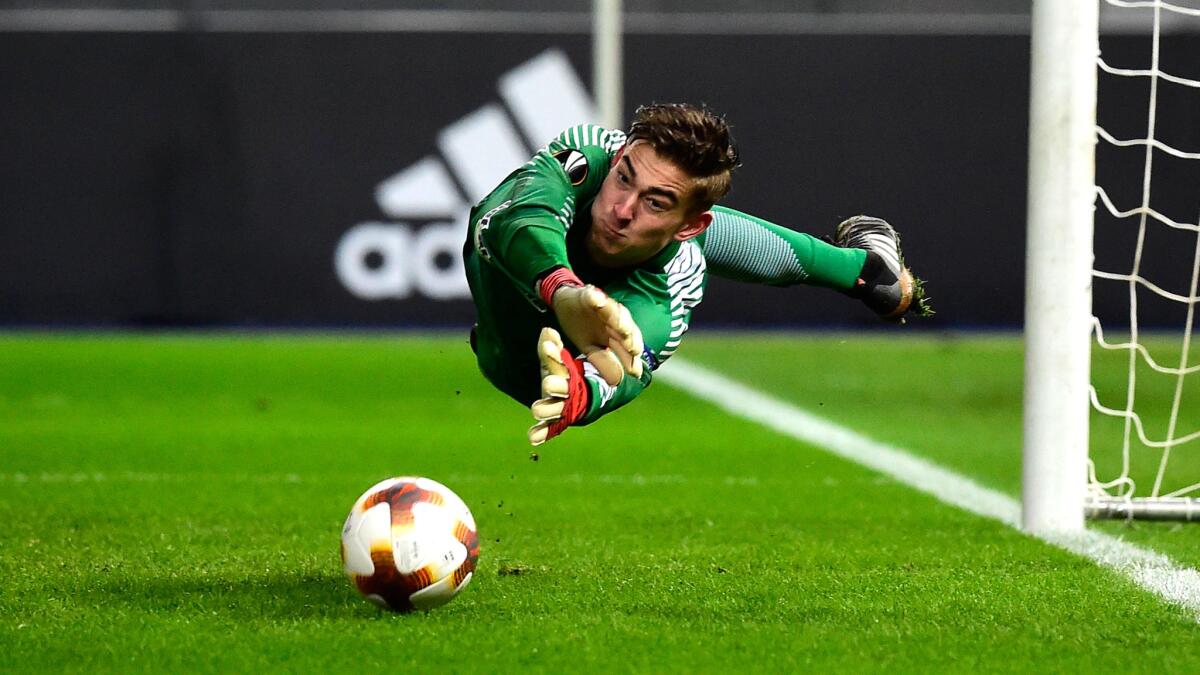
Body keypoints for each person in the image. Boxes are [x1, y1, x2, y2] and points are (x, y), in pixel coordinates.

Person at [463, 103, 929, 446]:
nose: (622, 209)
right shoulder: (588, 155)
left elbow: (622, 367)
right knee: (529, 229)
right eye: (625, 178)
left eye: (655, 202)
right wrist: (562, 290)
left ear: (687, 223)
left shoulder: (671, 288)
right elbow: (521, 216)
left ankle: (869, 271)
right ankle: (863, 269)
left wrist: (579, 396)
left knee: (691, 244)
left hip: (651, 262)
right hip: (553, 277)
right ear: (622, 155)